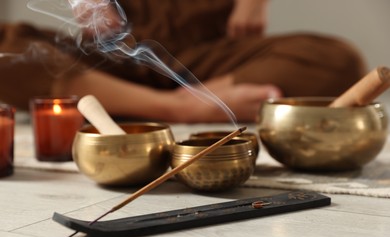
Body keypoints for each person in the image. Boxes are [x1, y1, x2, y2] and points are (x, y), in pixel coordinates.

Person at [0, 0, 365, 122]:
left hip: (208, 56)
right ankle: (177, 108)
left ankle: (128, 105)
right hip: (111, 54)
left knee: (338, 60)